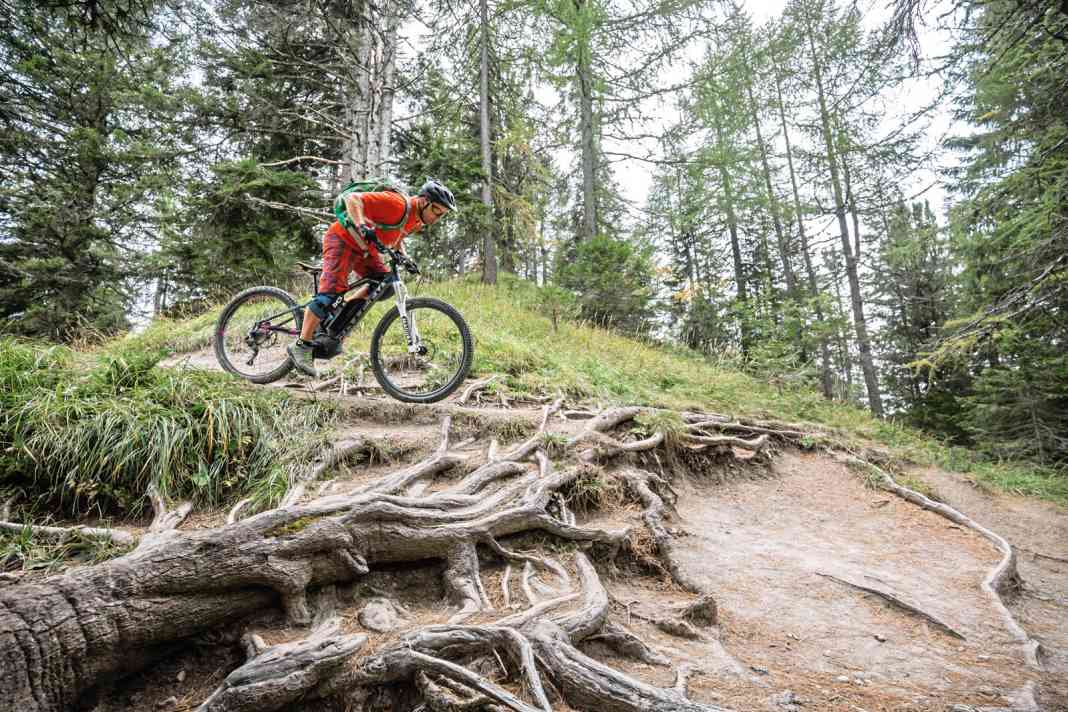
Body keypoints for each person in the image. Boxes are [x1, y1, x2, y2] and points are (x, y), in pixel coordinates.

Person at [287, 178, 457, 378]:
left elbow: (397, 237)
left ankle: (341, 312)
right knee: (329, 295)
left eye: (442, 215)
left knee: (385, 285)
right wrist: (361, 225)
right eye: (437, 210)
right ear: (423, 201)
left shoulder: (417, 221)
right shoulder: (397, 204)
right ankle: (302, 345)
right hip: (342, 239)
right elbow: (353, 199)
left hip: (365, 251)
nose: (438, 217)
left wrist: (405, 257)